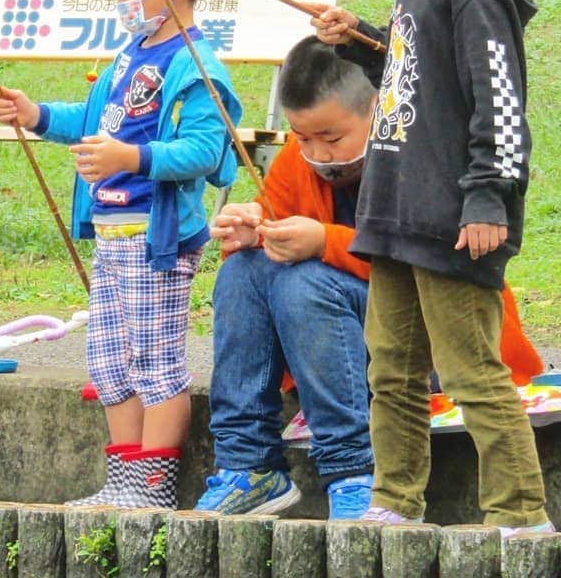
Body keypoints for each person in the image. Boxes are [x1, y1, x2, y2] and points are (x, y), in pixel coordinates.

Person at [313, 0, 553, 537]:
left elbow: (500, 103)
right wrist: (362, 43)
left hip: (454, 218)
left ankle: (520, 517)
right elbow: (423, 76)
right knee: (390, 370)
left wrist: (487, 198)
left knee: (473, 372)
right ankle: (396, 501)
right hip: (396, 208)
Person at [197, 36, 543, 521]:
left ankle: (356, 469)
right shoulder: (302, 159)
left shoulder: (419, 159)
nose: (317, 152)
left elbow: (429, 263)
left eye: (332, 138)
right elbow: (278, 209)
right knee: (244, 270)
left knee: (304, 284)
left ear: (379, 108)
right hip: (338, 338)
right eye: (302, 137)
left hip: (430, 345)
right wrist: (253, 223)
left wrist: (323, 242)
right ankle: (248, 464)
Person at [0, 0, 241, 509]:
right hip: (112, 234)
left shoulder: (195, 64)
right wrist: (37, 116)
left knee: (156, 363)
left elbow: (207, 151)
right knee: (108, 361)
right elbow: (96, 121)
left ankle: (153, 489)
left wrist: (131, 160)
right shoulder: (131, 52)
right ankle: (122, 483)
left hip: (158, 240)